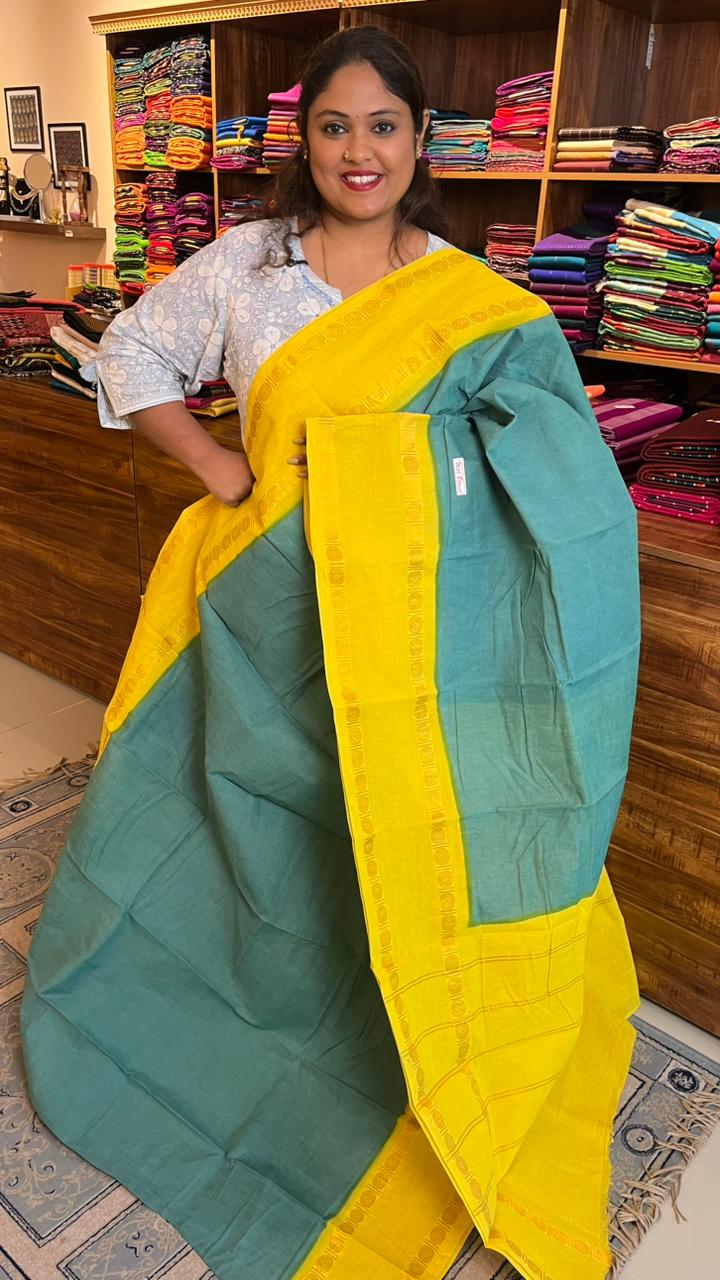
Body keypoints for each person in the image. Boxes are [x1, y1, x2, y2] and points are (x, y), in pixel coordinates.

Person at [21, 26, 641, 1280]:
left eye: (384, 127)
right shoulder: (248, 264)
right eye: (335, 127)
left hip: (410, 628)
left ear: (421, 143)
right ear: (304, 142)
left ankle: (394, 1032)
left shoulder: (469, 298)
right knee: (254, 824)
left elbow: (546, 448)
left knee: (386, 826)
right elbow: (130, 351)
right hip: (265, 611)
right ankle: (245, 1010)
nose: (361, 152)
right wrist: (217, 463)